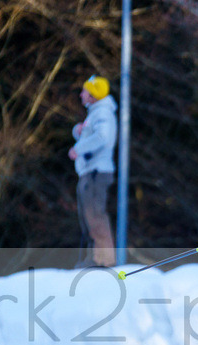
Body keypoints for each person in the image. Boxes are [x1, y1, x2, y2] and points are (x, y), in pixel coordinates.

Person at [69, 75, 118, 268]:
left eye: (85, 91)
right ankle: (95, 259)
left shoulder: (102, 113)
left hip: (96, 173)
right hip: (90, 173)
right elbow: (91, 133)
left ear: (94, 95)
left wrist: (78, 150)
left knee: (95, 215)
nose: (81, 94)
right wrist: (78, 131)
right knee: (87, 217)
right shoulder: (97, 113)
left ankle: (103, 261)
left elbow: (102, 137)